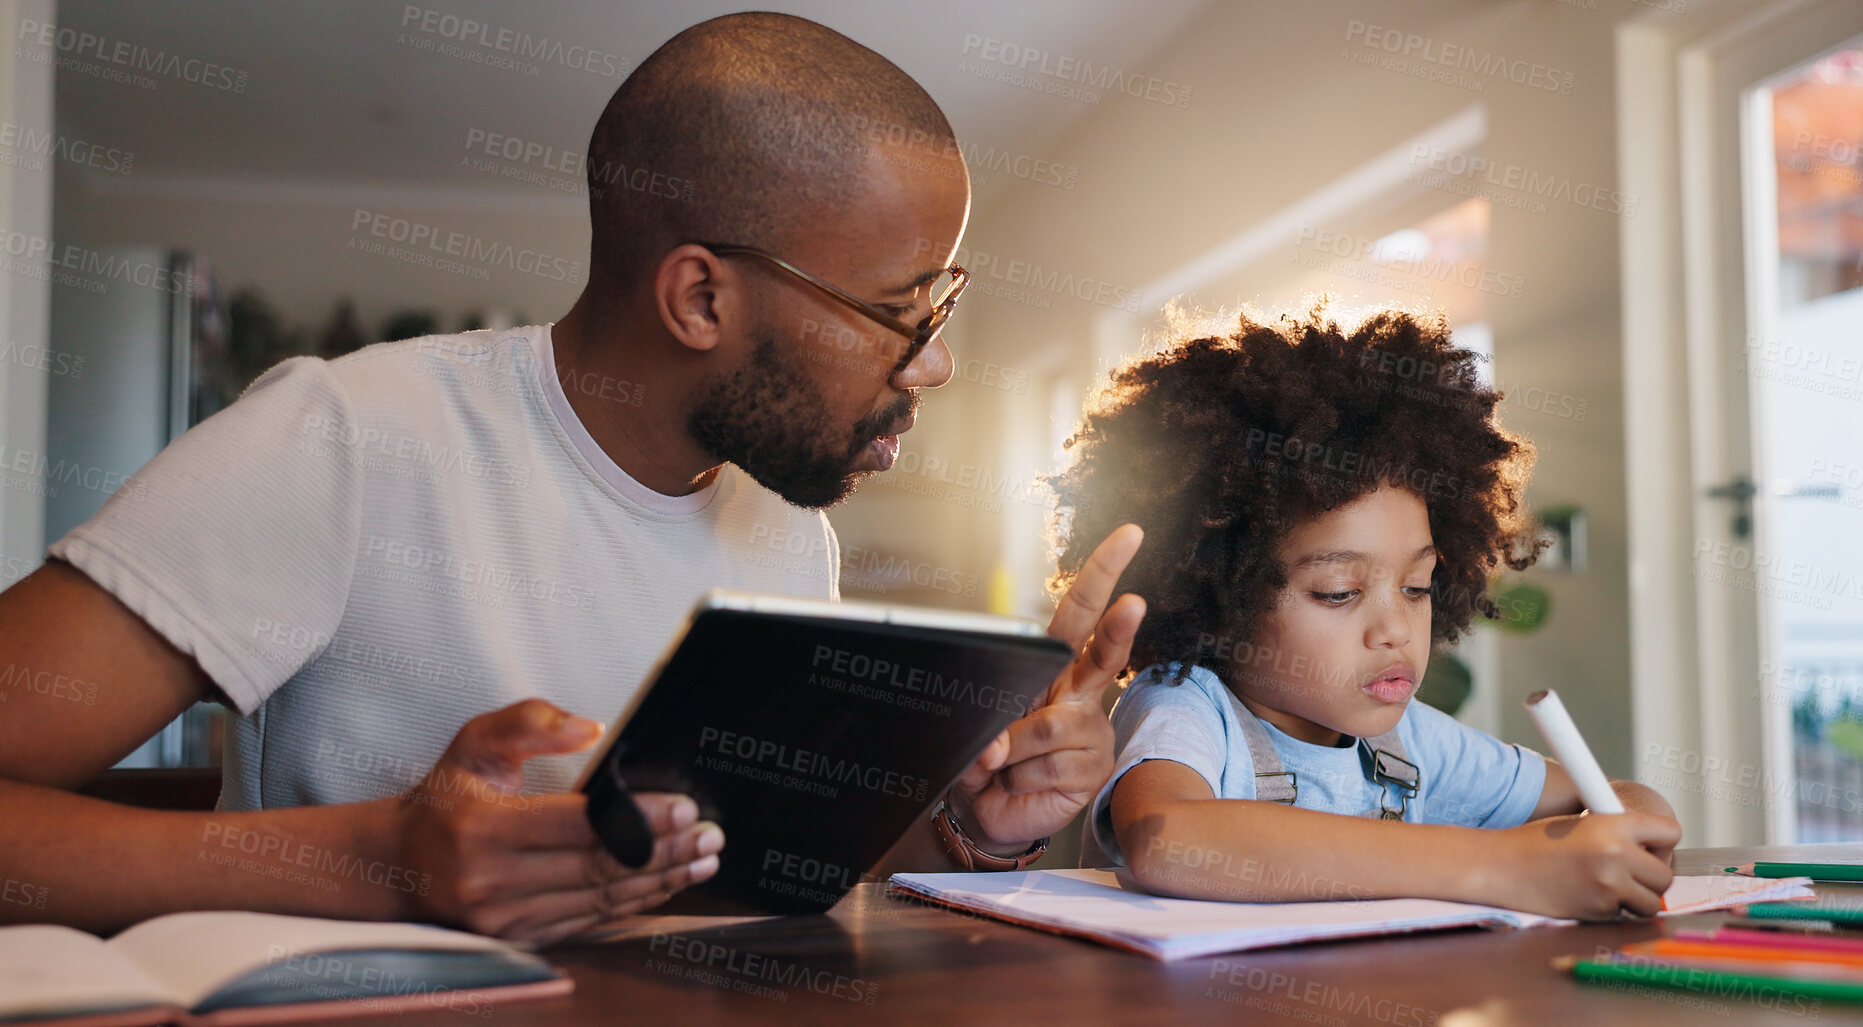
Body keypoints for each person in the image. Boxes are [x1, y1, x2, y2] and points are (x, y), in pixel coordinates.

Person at [0, 13, 1145, 946]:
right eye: (903, 312)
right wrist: (382, 863)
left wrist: (974, 829)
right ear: (700, 299)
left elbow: (756, 863)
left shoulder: (780, 525)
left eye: (940, 308)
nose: (936, 362)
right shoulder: (341, 438)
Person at [1047, 305, 1680, 921]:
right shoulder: (1187, 707)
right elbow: (1168, 839)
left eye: (1417, 588)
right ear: (1219, 603)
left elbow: (1610, 797)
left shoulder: (1410, 741)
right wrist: (1500, 866)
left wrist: (1632, 820)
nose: (1396, 630)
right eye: (1338, 593)